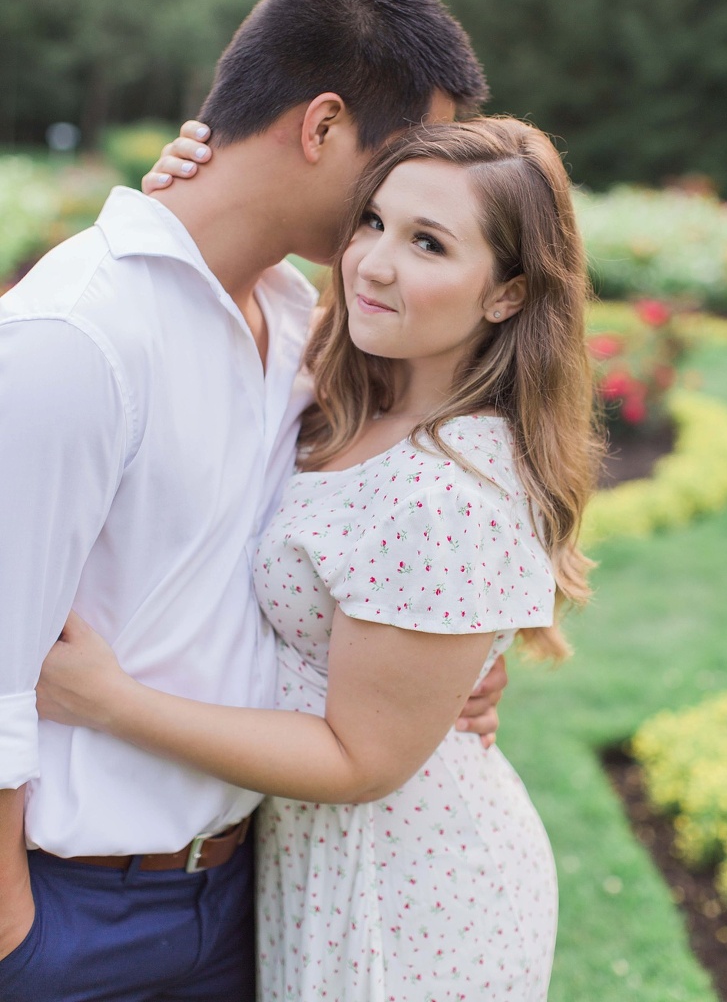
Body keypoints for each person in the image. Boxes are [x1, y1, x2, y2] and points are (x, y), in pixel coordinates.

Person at [0, 0, 507, 1002]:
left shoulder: (298, 323)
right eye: (399, 159)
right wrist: (15, 933)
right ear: (322, 127)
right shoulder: (74, 338)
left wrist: (431, 670)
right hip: (69, 920)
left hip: (245, 899)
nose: (406, 196)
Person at [38, 116, 599, 1001]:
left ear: (506, 295)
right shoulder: (348, 389)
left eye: (428, 244)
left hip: (408, 891)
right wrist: (186, 194)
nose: (374, 261)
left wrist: (110, 701)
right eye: (372, 221)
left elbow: (362, 761)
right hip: (312, 864)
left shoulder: (444, 494)